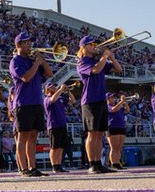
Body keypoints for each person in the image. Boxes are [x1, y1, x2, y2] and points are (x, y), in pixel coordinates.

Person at [11, 32, 54, 176]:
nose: (29, 45)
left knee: (33, 137)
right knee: (22, 137)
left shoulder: (32, 61)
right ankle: (23, 168)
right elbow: (26, 77)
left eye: (30, 42)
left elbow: (49, 74)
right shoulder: (15, 61)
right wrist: (36, 63)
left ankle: (32, 167)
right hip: (23, 103)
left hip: (36, 103)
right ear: (18, 45)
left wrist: (42, 61)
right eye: (26, 42)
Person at [76, 34, 119, 175]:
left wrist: (110, 56)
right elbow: (95, 70)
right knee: (92, 134)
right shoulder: (82, 61)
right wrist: (104, 57)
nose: (95, 47)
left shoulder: (98, 60)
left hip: (100, 100)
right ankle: (92, 163)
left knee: (99, 134)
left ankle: (98, 163)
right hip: (90, 101)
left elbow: (118, 69)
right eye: (91, 45)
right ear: (84, 47)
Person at [44, 82, 74, 173]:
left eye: (54, 86)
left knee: (61, 147)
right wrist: (61, 90)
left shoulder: (60, 98)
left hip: (62, 124)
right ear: (47, 90)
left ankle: (59, 165)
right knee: (54, 146)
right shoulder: (47, 99)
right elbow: (52, 99)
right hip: (53, 125)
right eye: (52, 87)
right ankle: (54, 165)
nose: (54, 87)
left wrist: (68, 92)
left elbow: (72, 101)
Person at [105, 93, 129, 169]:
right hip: (112, 127)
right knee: (114, 147)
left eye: (113, 97)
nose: (114, 99)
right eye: (111, 97)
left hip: (121, 127)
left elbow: (127, 111)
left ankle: (117, 162)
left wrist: (125, 103)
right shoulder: (107, 106)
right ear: (107, 99)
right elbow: (114, 109)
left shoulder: (119, 105)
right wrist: (121, 102)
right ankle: (113, 163)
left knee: (119, 147)